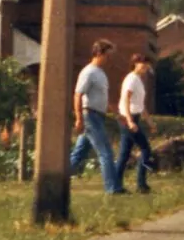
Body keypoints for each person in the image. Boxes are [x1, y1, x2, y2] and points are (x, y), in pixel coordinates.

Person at [67, 39, 125, 194]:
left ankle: (59, 177)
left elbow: (105, 97)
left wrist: (117, 114)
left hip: (99, 116)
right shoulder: (89, 72)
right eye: (108, 55)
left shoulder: (101, 74)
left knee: (79, 153)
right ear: (99, 53)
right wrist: (79, 118)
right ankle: (113, 188)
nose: (109, 59)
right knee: (105, 152)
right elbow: (78, 95)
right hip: (90, 115)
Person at [115, 54, 157, 194]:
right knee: (145, 149)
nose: (145, 66)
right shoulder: (131, 79)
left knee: (124, 153)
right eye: (142, 63)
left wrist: (150, 122)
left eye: (147, 64)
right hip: (128, 117)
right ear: (134, 63)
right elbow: (126, 100)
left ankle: (116, 185)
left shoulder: (138, 80)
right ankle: (141, 184)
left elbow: (140, 105)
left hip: (134, 116)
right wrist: (129, 121)